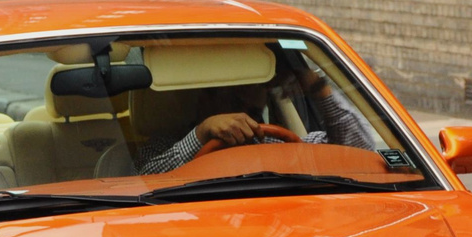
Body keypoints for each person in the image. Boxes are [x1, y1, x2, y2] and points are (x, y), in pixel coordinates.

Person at [136, 60, 382, 174]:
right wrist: (202, 133)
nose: (243, 118)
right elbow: (147, 181)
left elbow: (359, 151)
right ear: (206, 100)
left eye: (253, 111)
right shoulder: (161, 146)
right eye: (234, 101)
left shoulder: (279, 143)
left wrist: (317, 88)